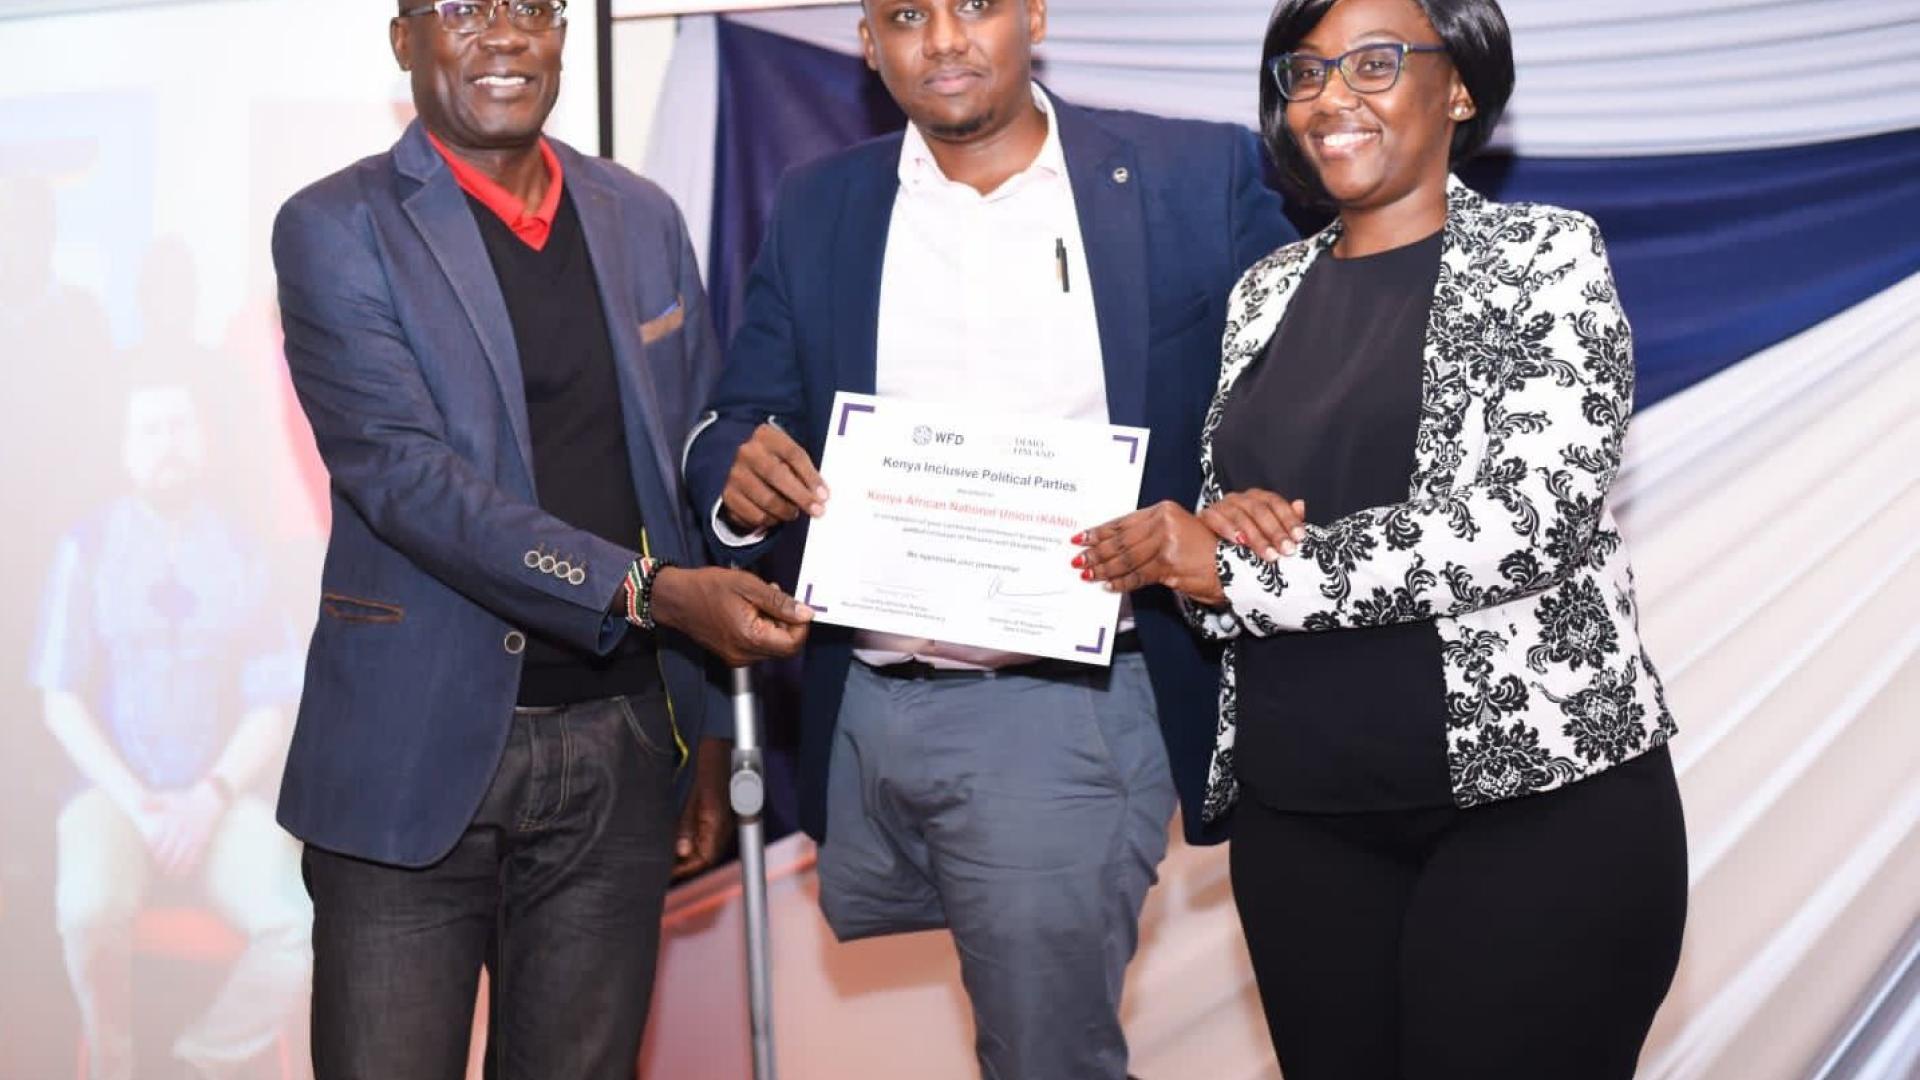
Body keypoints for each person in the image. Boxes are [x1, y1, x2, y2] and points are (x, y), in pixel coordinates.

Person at [1077, 0, 1687, 1077]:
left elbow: (1520, 523)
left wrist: (1233, 568)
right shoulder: (1265, 294)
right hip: (1303, 819)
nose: (1329, 97)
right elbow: (1240, 547)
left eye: (1371, 62)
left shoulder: (1545, 255)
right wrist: (1219, 533)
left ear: (1458, 86)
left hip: (1530, 810)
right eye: (1303, 73)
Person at [682, 1, 1293, 1074]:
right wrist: (737, 480)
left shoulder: (1189, 174)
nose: (946, 39)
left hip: (1071, 704)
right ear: (870, 44)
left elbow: (1299, 389)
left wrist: (1240, 505)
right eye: (908, 16)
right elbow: (742, 412)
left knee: (1040, 1056)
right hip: (863, 700)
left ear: (1035, 15)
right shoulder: (824, 201)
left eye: (976, 4)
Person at [271, 1, 812, 1076]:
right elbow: (410, 481)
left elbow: (683, 463)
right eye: (465, 9)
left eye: (531, 7)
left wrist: (701, 736)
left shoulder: (642, 214)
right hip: (411, 759)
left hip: (619, 751)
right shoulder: (337, 225)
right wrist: (647, 595)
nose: (505, 35)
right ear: (404, 39)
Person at [33, 379, 311, 1080]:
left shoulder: (245, 552)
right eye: (150, 431)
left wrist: (207, 797)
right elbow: (58, 699)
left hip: (215, 797)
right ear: (126, 451)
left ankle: (199, 1063)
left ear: (206, 443)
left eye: (180, 428)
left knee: (301, 926)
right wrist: (138, 804)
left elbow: (271, 703)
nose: (167, 445)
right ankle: (116, 1067)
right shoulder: (86, 548)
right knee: (86, 911)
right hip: (114, 797)